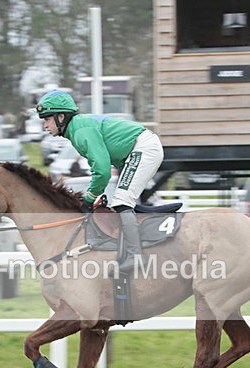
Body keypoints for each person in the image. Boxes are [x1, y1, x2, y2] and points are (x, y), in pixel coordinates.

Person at [36, 90, 164, 272]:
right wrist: (95, 195)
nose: (45, 126)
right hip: (137, 149)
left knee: (121, 201)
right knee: (120, 201)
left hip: (143, 148)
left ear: (61, 117)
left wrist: (90, 197)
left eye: (47, 119)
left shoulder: (80, 131)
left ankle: (135, 256)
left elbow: (102, 172)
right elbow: (102, 170)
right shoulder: (76, 129)